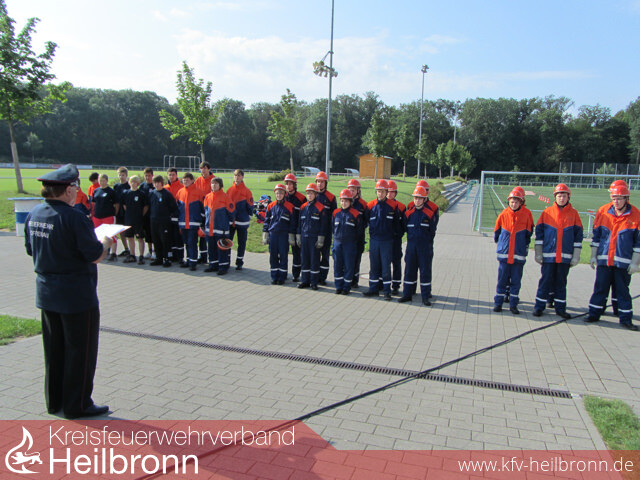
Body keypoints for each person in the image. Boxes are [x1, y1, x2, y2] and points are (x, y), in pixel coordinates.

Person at [24, 164, 112, 419]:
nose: (76, 190)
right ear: (67, 190)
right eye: (74, 186)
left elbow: (31, 249)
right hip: (76, 296)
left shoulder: (35, 214)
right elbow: (94, 255)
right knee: (80, 351)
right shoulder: (74, 218)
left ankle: (55, 401)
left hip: (47, 292)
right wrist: (105, 243)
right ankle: (78, 404)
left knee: (54, 349)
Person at [585, 183, 640, 330]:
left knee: (623, 291)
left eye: (619, 198)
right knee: (600, 288)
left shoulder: (636, 215)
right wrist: (593, 256)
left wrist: (635, 262)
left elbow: (638, 243)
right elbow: (596, 237)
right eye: (614, 198)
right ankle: (594, 314)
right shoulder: (603, 211)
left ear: (626, 199)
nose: (616, 201)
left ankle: (626, 319)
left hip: (623, 263)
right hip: (604, 260)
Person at [532, 184, 583, 319]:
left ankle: (560, 309)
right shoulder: (547, 212)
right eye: (559, 196)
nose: (561, 198)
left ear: (568, 197)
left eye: (564, 196)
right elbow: (539, 234)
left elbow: (578, 237)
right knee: (545, 281)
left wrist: (576, 256)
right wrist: (538, 253)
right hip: (549, 257)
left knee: (561, 283)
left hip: (565, 257)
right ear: (555, 197)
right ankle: (539, 307)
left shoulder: (574, 214)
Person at [493, 186, 534, 314]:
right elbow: (496, 233)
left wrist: (522, 246)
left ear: (521, 202)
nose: (514, 204)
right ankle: (498, 303)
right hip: (505, 254)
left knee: (516, 281)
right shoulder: (503, 214)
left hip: (518, 255)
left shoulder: (527, 215)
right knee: (502, 280)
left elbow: (529, 233)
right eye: (512, 201)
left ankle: (513, 305)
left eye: (516, 202)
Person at [398, 186, 438, 306]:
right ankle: (407, 294)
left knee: (425, 271)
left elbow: (432, 231)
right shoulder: (408, 214)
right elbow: (405, 228)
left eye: (420, 198)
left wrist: (426, 243)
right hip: (411, 247)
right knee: (409, 270)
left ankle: (425, 296)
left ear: (424, 199)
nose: (417, 200)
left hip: (425, 247)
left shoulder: (429, 214)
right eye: (415, 198)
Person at [363, 179, 401, 300]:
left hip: (387, 241)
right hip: (374, 240)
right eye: (378, 191)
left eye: (383, 191)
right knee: (374, 266)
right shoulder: (370, 205)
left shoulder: (393, 206)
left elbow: (397, 224)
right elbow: (365, 220)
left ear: (386, 192)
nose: (380, 193)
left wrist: (393, 236)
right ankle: (373, 289)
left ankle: (386, 291)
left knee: (386, 267)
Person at [297, 183, 329, 290]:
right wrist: (298, 236)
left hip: (314, 238)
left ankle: (314, 282)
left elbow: (323, 225)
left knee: (314, 260)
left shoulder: (321, 208)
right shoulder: (303, 207)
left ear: (316, 194)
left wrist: (321, 238)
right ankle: (305, 281)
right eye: (308, 193)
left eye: (311, 193)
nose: (309, 195)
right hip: (304, 237)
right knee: (304, 260)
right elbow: (299, 223)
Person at [263, 184, 296, 285]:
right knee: (273, 256)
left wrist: (291, 235)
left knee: (283, 256)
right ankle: (274, 276)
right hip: (273, 234)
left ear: (285, 194)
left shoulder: (290, 207)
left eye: (281, 193)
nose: (279, 195)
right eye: (277, 193)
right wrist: (265, 233)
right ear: (275, 194)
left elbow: (293, 223)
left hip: (283, 235)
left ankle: (282, 277)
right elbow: (267, 221)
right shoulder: (270, 206)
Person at [332, 189, 364, 295]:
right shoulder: (335, 213)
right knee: (337, 265)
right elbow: (332, 228)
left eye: (346, 201)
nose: (343, 203)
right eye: (342, 201)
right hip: (337, 243)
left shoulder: (355, 214)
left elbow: (359, 231)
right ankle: (338, 286)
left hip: (349, 244)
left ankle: (346, 287)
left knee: (349, 266)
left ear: (350, 201)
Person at [203, 177, 235, 275]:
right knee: (211, 248)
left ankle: (223, 267)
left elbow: (231, 213)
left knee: (222, 249)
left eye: (216, 183)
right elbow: (206, 212)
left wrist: (227, 225)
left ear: (220, 185)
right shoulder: (207, 197)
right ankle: (213, 265)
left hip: (221, 230)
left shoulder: (225, 197)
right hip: (210, 229)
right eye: (212, 183)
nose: (214, 185)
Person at [175, 172, 205, 271]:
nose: (185, 182)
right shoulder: (180, 192)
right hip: (183, 223)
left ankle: (193, 263)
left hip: (193, 223)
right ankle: (188, 261)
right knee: (186, 243)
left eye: (187, 180)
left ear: (192, 181)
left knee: (192, 243)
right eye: (184, 180)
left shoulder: (199, 192)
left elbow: (203, 209)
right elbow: (178, 208)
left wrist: (201, 221)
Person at [148, 175, 178, 267]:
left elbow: (173, 207)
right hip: (154, 221)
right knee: (156, 239)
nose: (156, 185)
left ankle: (167, 258)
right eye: (155, 183)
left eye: (158, 183)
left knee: (165, 240)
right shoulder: (152, 194)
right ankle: (159, 258)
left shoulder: (167, 194)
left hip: (164, 221)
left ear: (162, 183)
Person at [227, 169, 254, 271]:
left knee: (241, 243)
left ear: (242, 177)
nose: (237, 177)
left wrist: (247, 218)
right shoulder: (229, 190)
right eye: (235, 175)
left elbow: (250, 207)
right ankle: (226, 261)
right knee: (228, 242)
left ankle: (239, 262)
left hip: (242, 222)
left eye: (239, 175)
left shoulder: (247, 191)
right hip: (231, 222)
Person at [315, 171, 337, 285]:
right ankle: (314, 276)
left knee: (325, 255)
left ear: (325, 183)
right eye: (318, 182)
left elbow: (335, 216)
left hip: (326, 231)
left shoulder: (331, 197)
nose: (320, 184)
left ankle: (322, 277)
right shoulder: (312, 195)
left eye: (322, 182)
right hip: (314, 231)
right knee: (314, 255)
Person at [91, 174, 119, 261]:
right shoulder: (96, 191)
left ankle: (113, 253)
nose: (101, 182)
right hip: (97, 216)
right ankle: (100, 252)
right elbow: (93, 203)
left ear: (107, 181)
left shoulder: (111, 191)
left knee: (111, 235)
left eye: (103, 180)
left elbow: (117, 204)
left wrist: (114, 213)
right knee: (98, 235)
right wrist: (92, 213)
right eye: (100, 180)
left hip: (108, 216)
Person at [122, 175, 149, 265]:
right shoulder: (126, 193)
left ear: (138, 184)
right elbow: (124, 205)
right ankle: (132, 255)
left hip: (138, 220)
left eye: (135, 182)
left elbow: (145, 206)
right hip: (128, 219)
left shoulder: (141, 194)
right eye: (131, 182)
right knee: (130, 237)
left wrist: (140, 215)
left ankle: (141, 256)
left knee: (140, 238)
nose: (133, 184)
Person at [284, 173, 306, 282]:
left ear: (294, 185)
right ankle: (283, 273)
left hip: (296, 229)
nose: (288, 186)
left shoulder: (301, 198)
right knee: (283, 252)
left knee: (296, 253)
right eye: (287, 183)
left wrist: (299, 232)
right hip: (284, 229)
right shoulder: (283, 196)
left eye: (290, 184)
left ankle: (296, 274)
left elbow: (304, 216)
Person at [347, 178, 369, 288]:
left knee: (356, 259)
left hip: (359, 237)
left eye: (353, 190)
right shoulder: (346, 201)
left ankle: (354, 281)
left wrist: (359, 229)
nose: (351, 192)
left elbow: (366, 220)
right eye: (350, 190)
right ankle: (347, 279)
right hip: (347, 237)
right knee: (347, 259)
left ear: (358, 190)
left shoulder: (363, 205)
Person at [387, 180, 406, 295]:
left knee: (396, 262)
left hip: (396, 240)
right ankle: (383, 284)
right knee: (384, 263)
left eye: (392, 192)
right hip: (385, 240)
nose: (389, 194)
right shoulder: (381, 205)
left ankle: (396, 285)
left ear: (395, 193)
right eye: (388, 192)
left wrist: (398, 235)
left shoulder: (401, 207)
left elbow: (404, 225)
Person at [195, 162, 215, 264]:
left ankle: (212, 257)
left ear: (209, 169)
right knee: (201, 234)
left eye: (205, 168)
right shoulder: (198, 180)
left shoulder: (214, 180)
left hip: (210, 210)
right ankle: (202, 256)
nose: (203, 170)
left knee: (210, 235)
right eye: (201, 168)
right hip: (200, 210)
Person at [164, 167, 184, 264]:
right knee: (170, 237)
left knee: (178, 237)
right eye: (170, 175)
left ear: (176, 175)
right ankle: (171, 255)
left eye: (173, 175)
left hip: (178, 216)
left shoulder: (181, 187)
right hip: (167, 217)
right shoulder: (165, 188)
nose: (171, 176)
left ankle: (180, 257)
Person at [139, 167, 156, 259]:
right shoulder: (142, 186)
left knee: (154, 233)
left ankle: (155, 251)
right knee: (147, 233)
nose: (147, 177)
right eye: (146, 176)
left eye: (149, 175)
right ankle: (149, 250)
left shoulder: (155, 185)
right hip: (145, 214)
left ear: (152, 176)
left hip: (154, 213)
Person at [114, 166, 131, 257]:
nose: (121, 177)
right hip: (118, 211)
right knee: (121, 231)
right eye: (120, 175)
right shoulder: (116, 186)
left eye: (123, 175)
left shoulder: (129, 186)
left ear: (126, 175)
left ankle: (132, 250)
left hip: (127, 211)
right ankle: (126, 249)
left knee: (129, 231)